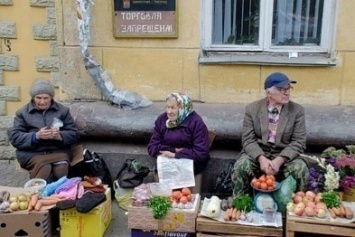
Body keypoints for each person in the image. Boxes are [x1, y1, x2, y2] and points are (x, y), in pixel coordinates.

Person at [232, 72, 309, 198]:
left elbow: (298, 142)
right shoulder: (252, 109)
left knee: (300, 168)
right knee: (241, 166)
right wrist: (261, 158)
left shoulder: (297, 111)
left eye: (288, 88)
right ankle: (240, 206)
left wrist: (279, 161)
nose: (287, 92)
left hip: (283, 155)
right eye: (281, 89)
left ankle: (295, 209)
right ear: (269, 93)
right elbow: (248, 139)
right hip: (258, 154)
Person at [8, 79, 80, 182]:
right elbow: (14, 137)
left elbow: (74, 134)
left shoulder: (63, 111)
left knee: (62, 166)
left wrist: (59, 136)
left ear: (51, 97)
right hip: (32, 153)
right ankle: (39, 193)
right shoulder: (22, 113)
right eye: (38, 98)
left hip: (57, 150)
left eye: (46, 98)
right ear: (33, 98)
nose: (42, 102)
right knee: (45, 167)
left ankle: (59, 192)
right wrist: (36, 136)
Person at [147, 92, 210, 176]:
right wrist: (174, 150)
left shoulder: (196, 123)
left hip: (191, 163)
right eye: (167, 107)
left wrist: (175, 155)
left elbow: (201, 153)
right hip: (167, 160)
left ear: (182, 108)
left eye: (173, 108)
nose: (169, 112)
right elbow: (152, 148)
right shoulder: (162, 120)